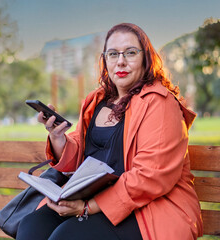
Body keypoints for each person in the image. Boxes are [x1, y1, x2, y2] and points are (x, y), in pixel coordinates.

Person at [16, 23, 203, 240]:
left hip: (149, 208)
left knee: (67, 236)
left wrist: (88, 207)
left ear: (146, 58)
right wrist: (58, 137)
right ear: (105, 59)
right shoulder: (96, 101)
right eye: (113, 54)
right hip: (90, 198)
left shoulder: (160, 103)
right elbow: (79, 156)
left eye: (130, 53)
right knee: (32, 227)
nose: (120, 61)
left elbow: (151, 176)